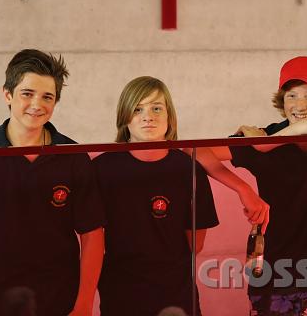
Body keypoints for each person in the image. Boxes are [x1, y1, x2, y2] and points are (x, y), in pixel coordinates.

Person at [0, 49, 105, 316]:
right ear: (7, 94)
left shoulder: (72, 155)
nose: (37, 104)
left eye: (47, 97)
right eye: (27, 93)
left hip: (62, 305)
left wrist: (84, 304)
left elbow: (92, 235)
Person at [197, 56, 307, 316]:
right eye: (291, 96)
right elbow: (197, 152)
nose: (300, 104)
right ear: (281, 101)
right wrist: (243, 189)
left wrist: (263, 143)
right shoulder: (260, 134)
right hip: (270, 270)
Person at [93, 76, 220, 316]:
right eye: (138, 108)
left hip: (176, 294)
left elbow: (196, 243)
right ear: (124, 117)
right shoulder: (101, 170)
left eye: (156, 108)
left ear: (169, 116)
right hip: (120, 294)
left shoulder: (189, 169)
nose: (147, 116)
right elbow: (93, 240)